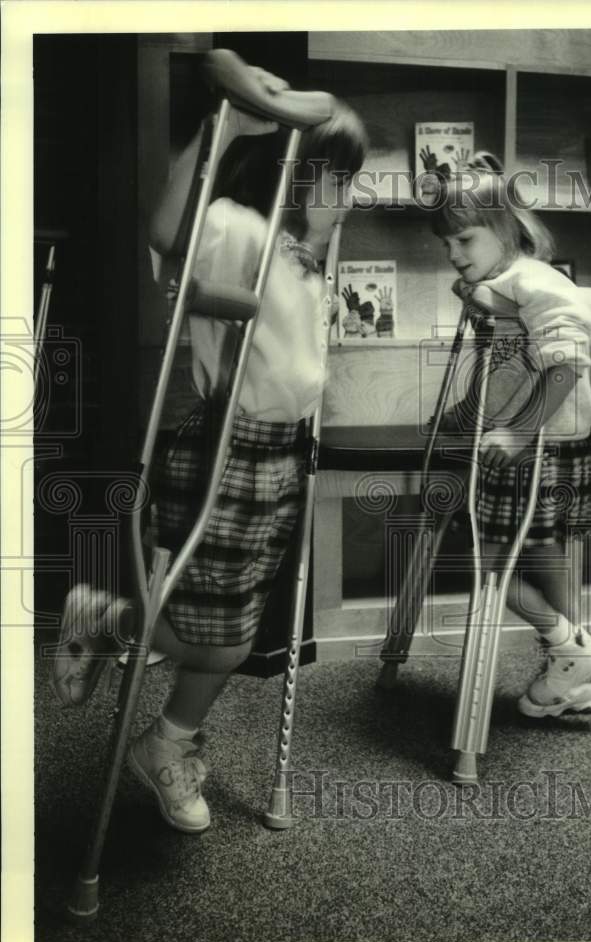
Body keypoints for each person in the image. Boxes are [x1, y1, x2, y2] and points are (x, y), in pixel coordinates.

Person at [52, 61, 368, 833]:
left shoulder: (299, 256)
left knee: (234, 630)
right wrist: (214, 125)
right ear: (296, 174)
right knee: (213, 636)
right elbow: (167, 232)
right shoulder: (241, 229)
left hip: (280, 456)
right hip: (229, 448)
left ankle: (167, 740)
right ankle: (109, 623)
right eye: (341, 179)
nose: (350, 197)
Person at [430, 152, 591, 719]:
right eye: (448, 246)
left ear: (506, 227)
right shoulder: (502, 281)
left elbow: (564, 365)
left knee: (492, 569)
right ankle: (576, 670)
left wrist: (516, 433)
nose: (455, 256)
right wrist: (472, 408)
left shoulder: (535, 281)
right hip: (528, 441)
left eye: (464, 240)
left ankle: (570, 649)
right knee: (538, 552)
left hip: (537, 447)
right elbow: (510, 363)